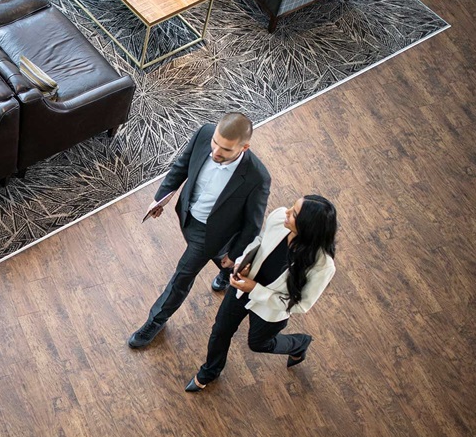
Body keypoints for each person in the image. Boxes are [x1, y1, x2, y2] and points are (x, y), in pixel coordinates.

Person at [129, 112, 271, 349]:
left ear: (244, 147)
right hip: (186, 214)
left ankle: (156, 320)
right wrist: (160, 197)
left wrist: (235, 253)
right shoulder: (205, 133)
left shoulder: (258, 177)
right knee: (220, 259)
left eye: (225, 150)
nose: (215, 151)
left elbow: (253, 224)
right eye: (215, 143)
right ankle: (227, 273)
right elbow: (182, 166)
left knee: (182, 276)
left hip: (210, 235)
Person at [185, 195, 338, 392]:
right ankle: (210, 371)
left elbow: (301, 304)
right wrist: (242, 263)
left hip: (270, 309)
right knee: (220, 330)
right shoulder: (278, 218)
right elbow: (259, 240)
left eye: (295, 214)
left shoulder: (323, 266)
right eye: (292, 207)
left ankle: (299, 343)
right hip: (242, 289)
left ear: (308, 227)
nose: (287, 212)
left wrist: (255, 290)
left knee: (259, 344)